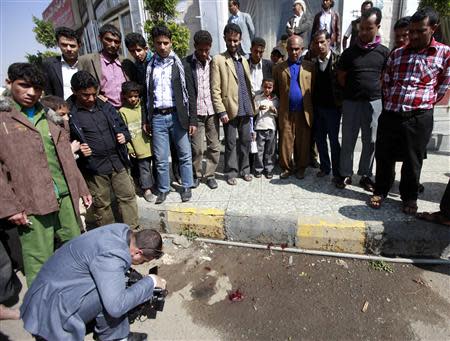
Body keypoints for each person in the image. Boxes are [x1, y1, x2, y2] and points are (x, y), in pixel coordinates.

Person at [0, 63, 92, 286]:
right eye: (24, 86)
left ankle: (79, 294)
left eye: (37, 88)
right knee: (39, 259)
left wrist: (81, 187)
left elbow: (66, 159)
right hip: (31, 202)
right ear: (9, 83)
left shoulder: (51, 117)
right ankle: (41, 311)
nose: (31, 93)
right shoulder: (3, 120)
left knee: (75, 247)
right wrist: (10, 207)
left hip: (64, 197)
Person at [20, 224, 167, 341]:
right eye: (143, 261)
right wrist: (151, 281)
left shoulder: (120, 232)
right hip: (49, 311)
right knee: (116, 298)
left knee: (117, 284)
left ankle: (115, 337)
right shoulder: (113, 255)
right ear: (137, 252)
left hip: (50, 292)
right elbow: (116, 306)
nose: (141, 264)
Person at [370, 7, 450, 214]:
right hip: (391, 114)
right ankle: (381, 189)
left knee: (412, 160)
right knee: (384, 154)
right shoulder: (397, 53)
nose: (413, 36)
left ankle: (409, 197)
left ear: (433, 28)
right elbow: (386, 82)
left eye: (419, 31)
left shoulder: (444, 53)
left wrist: (424, 103)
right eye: (411, 31)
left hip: (419, 117)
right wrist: (390, 106)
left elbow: (442, 85)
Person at [68, 71, 139, 229]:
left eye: (94, 94)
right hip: (95, 167)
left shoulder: (106, 106)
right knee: (102, 205)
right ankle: (110, 236)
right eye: (86, 95)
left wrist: (124, 136)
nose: (91, 99)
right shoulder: (68, 114)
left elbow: (123, 128)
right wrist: (78, 151)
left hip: (117, 161)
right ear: (74, 91)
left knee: (127, 196)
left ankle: (132, 231)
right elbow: (64, 144)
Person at [335, 7, 389, 191]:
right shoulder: (349, 53)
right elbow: (341, 77)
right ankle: (345, 174)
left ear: (378, 27)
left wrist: (373, 92)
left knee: (371, 141)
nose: (364, 32)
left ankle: (365, 175)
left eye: (369, 28)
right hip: (351, 102)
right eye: (361, 28)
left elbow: (385, 77)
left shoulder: (383, 52)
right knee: (348, 139)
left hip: (374, 103)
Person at [145, 25, 197, 204]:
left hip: (178, 116)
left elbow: (190, 93)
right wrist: (147, 118)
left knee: (184, 154)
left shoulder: (180, 65)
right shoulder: (150, 66)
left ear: (171, 43)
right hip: (158, 117)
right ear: (154, 44)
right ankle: (164, 189)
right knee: (160, 158)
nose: (162, 47)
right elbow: (147, 94)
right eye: (158, 43)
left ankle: (187, 186)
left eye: (166, 43)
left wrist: (193, 120)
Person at [211, 23, 255, 185]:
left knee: (245, 142)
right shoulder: (219, 60)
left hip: (245, 107)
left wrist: (252, 107)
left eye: (236, 40)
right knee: (230, 144)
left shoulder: (243, 59)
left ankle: (245, 170)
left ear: (240, 39)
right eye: (229, 40)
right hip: (229, 109)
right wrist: (221, 111)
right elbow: (214, 89)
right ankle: (230, 172)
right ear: (224, 39)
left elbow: (247, 84)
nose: (233, 43)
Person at [272, 35, 314, 180]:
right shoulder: (279, 68)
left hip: (304, 111)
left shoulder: (310, 67)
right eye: (291, 49)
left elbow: (313, 89)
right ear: (287, 49)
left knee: (303, 141)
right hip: (286, 110)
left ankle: (301, 167)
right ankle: (286, 167)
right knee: (285, 139)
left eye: (297, 49)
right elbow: (275, 89)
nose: (294, 52)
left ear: (302, 49)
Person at [183, 30, 220, 190]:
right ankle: (197, 174)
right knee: (197, 148)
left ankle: (210, 175)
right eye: (201, 50)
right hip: (196, 114)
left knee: (214, 146)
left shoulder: (214, 63)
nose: (204, 53)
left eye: (207, 49)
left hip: (212, 112)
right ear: (195, 47)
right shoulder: (186, 64)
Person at [78, 24, 136, 109]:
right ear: (100, 38)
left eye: (116, 41)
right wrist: (96, 96)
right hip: (104, 111)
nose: (113, 45)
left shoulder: (126, 63)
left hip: (127, 109)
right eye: (108, 40)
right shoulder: (87, 61)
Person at [311, 30, 343, 181]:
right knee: (320, 139)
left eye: (322, 42)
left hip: (333, 108)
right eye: (317, 42)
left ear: (329, 41)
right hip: (318, 107)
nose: (320, 45)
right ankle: (325, 167)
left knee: (334, 140)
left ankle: (337, 172)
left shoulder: (338, 59)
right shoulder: (313, 62)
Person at [119, 81, 154, 202]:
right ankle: (147, 189)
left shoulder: (144, 107)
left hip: (150, 144)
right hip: (137, 147)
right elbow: (124, 132)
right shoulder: (123, 111)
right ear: (124, 96)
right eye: (130, 96)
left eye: (136, 96)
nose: (133, 99)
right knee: (143, 168)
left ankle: (156, 184)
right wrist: (130, 147)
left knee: (154, 166)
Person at [42, 27, 81, 100]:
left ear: (79, 45)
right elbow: (48, 93)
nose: (68, 49)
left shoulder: (87, 62)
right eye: (64, 45)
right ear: (58, 44)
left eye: (72, 46)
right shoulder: (49, 64)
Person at [253, 79, 278, 179]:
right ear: (262, 87)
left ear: (273, 88)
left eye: (269, 87)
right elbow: (253, 113)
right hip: (260, 127)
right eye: (265, 87)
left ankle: (269, 169)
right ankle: (258, 169)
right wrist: (258, 109)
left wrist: (274, 110)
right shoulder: (258, 98)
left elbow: (278, 115)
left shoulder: (275, 99)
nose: (267, 89)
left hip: (271, 127)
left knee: (270, 150)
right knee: (259, 150)